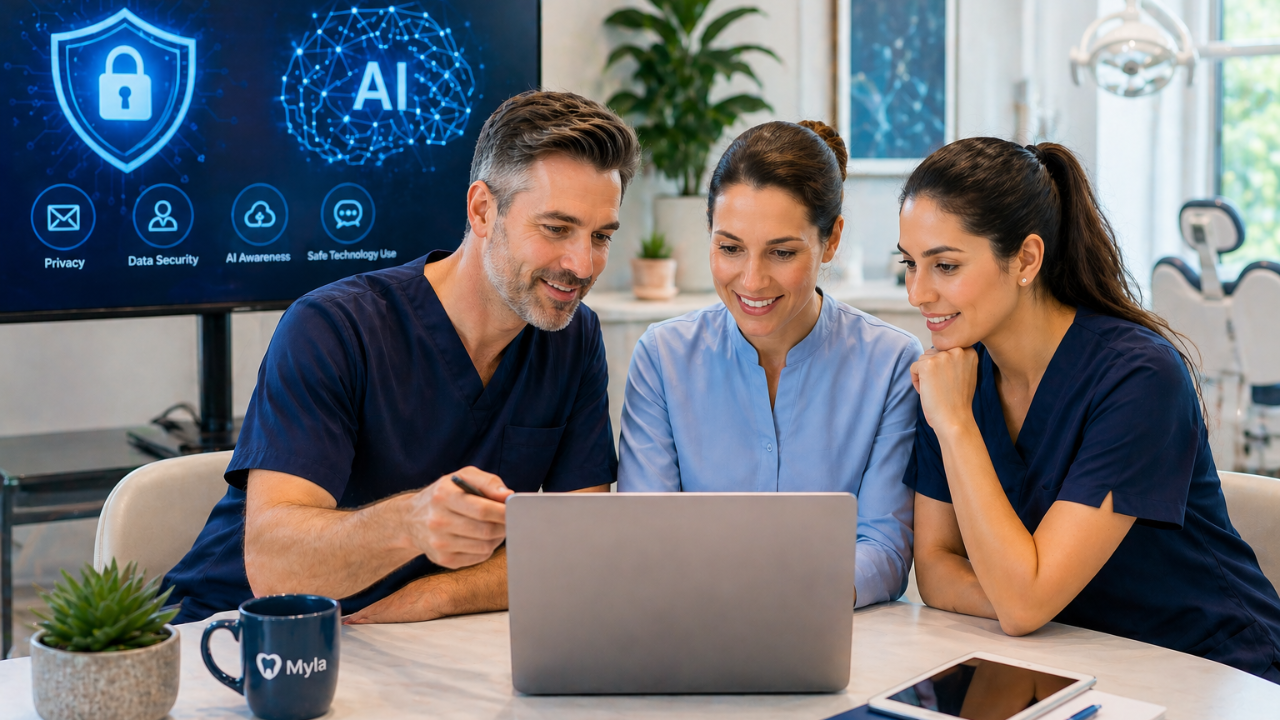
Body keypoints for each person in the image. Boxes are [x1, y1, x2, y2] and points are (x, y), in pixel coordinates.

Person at [162, 91, 641, 624]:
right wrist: (413, 523)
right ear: (483, 210)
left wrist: (434, 596)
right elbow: (276, 569)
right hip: (232, 633)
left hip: (406, 636)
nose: (581, 263)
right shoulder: (334, 327)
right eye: (556, 229)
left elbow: (577, 543)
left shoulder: (571, 336)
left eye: (601, 236)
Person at [900, 137, 1280, 681]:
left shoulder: (1138, 378)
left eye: (946, 265)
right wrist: (1026, 597)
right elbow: (936, 571)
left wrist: (956, 426)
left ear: (1027, 258)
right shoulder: (954, 375)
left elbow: (1024, 604)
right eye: (909, 264)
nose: (918, 292)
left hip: (1215, 671)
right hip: (1072, 662)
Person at [616, 120, 920, 607]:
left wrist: (776, 595)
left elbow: (885, 551)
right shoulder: (663, 358)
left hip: (836, 638)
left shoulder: (891, 364)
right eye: (730, 248)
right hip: (692, 632)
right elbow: (645, 537)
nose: (752, 280)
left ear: (832, 240)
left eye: (781, 252)